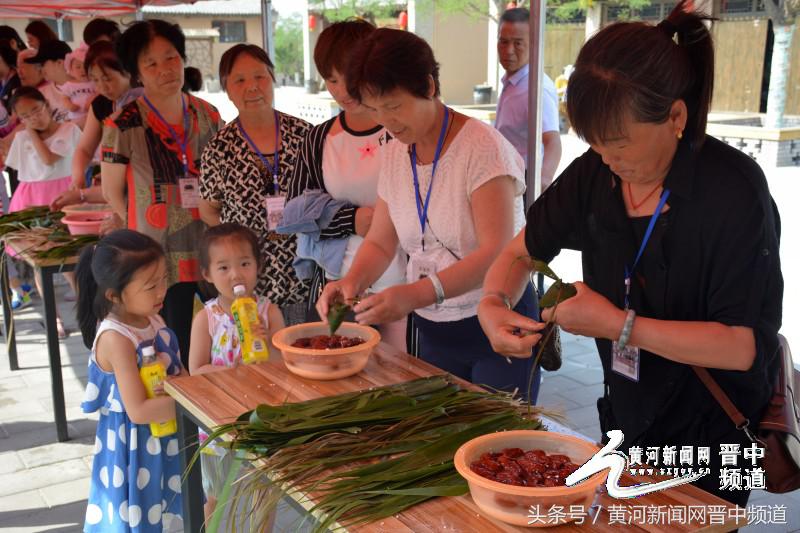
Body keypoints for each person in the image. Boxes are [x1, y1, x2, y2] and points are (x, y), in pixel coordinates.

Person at [477, 2, 782, 507]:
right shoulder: (596, 172)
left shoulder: (733, 192)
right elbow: (522, 249)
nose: (610, 162)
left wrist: (620, 325)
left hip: (710, 437)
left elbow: (742, 347)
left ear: (676, 117)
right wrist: (492, 302)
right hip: (627, 418)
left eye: (620, 145)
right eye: (596, 146)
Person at [316, 28, 540, 401]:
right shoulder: (393, 151)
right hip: (435, 324)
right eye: (375, 109)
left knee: (496, 445)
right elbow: (381, 240)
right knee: (445, 440)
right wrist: (351, 282)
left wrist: (415, 293)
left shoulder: (482, 149)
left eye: (394, 105)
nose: (387, 120)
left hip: (498, 317)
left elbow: (497, 253)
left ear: (429, 85)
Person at [102, 20, 223, 365]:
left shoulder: (208, 114)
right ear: (137, 72)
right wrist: (143, 230)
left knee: (223, 336)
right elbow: (112, 193)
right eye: (151, 63)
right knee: (174, 347)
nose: (165, 70)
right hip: (157, 254)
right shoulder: (122, 123)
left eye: (171, 58)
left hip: (207, 246)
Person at [285, 19, 407, 351]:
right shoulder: (319, 139)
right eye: (331, 79)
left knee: (406, 379)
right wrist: (351, 219)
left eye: (349, 78)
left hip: (409, 287)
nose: (341, 91)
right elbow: (292, 215)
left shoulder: (402, 131)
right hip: (340, 285)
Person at [76, 229, 185, 532]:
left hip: (166, 436)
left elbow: (179, 374)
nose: (162, 290)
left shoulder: (153, 319)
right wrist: (193, 405)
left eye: (164, 278)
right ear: (114, 295)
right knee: (141, 516)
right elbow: (138, 410)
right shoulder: (116, 338)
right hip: (135, 447)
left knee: (173, 511)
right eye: (151, 286)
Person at [199, 44, 311, 325]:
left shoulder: (305, 135)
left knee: (303, 349)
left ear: (272, 78)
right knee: (259, 356)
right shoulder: (219, 148)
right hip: (249, 282)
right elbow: (209, 210)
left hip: (303, 272)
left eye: (260, 77)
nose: (252, 87)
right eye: (239, 80)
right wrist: (239, 248)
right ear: (227, 88)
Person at [188, 223, 284, 519]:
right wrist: (231, 370)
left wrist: (267, 340)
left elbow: (283, 366)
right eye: (224, 267)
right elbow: (195, 369)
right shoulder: (207, 317)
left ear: (257, 265)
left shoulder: (270, 312)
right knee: (217, 492)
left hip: (260, 415)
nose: (236, 275)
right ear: (207, 274)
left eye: (244, 263)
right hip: (219, 420)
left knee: (264, 493)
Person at [5, 86, 81, 334]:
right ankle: (54, 317)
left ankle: (86, 309)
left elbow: (49, 160)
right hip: (31, 201)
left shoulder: (68, 130)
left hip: (61, 198)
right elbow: (18, 169)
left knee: (71, 259)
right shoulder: (21, 138)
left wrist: (30, 133)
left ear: (46, 105)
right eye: (25, 116)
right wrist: (26, 133)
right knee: (40, 262)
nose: (32, 119)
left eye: (36, 110)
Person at [495, 7, 561, 189]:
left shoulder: (536, 88)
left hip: (523, 180)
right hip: (503, 174)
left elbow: (553, 141)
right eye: (503, 42)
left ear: (533, 44)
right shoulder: (511, 80)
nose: (508, 50)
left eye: (518, 43)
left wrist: (543, 179)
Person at [61, 44, 96, 128]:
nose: (82, 70)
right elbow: (64, 98)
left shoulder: (94, 82)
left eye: (86, 66)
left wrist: (92, 99)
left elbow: (99, 93)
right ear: (71, 71)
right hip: (75, 116)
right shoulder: (69, 85)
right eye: (78, 67)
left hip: (91, 115)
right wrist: (69, 105)